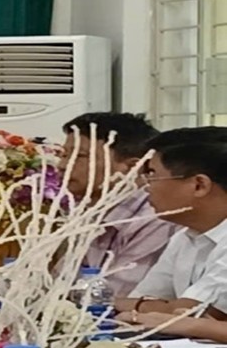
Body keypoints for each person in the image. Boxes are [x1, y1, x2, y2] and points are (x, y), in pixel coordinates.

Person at [115, 127, 227, 318]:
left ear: (199, 185)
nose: (146, 186)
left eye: (152, 174)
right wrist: (152, 307)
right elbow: (139, 299)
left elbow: (193, 313)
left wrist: (142, 307)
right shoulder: (185, 237)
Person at [61, 112, 176, 296]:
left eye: (80, 156)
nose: (62, 165)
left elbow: (113, 297)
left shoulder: (155, 217)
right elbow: (57, 283)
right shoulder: (88, 209)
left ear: (133, 167)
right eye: (64, 155)